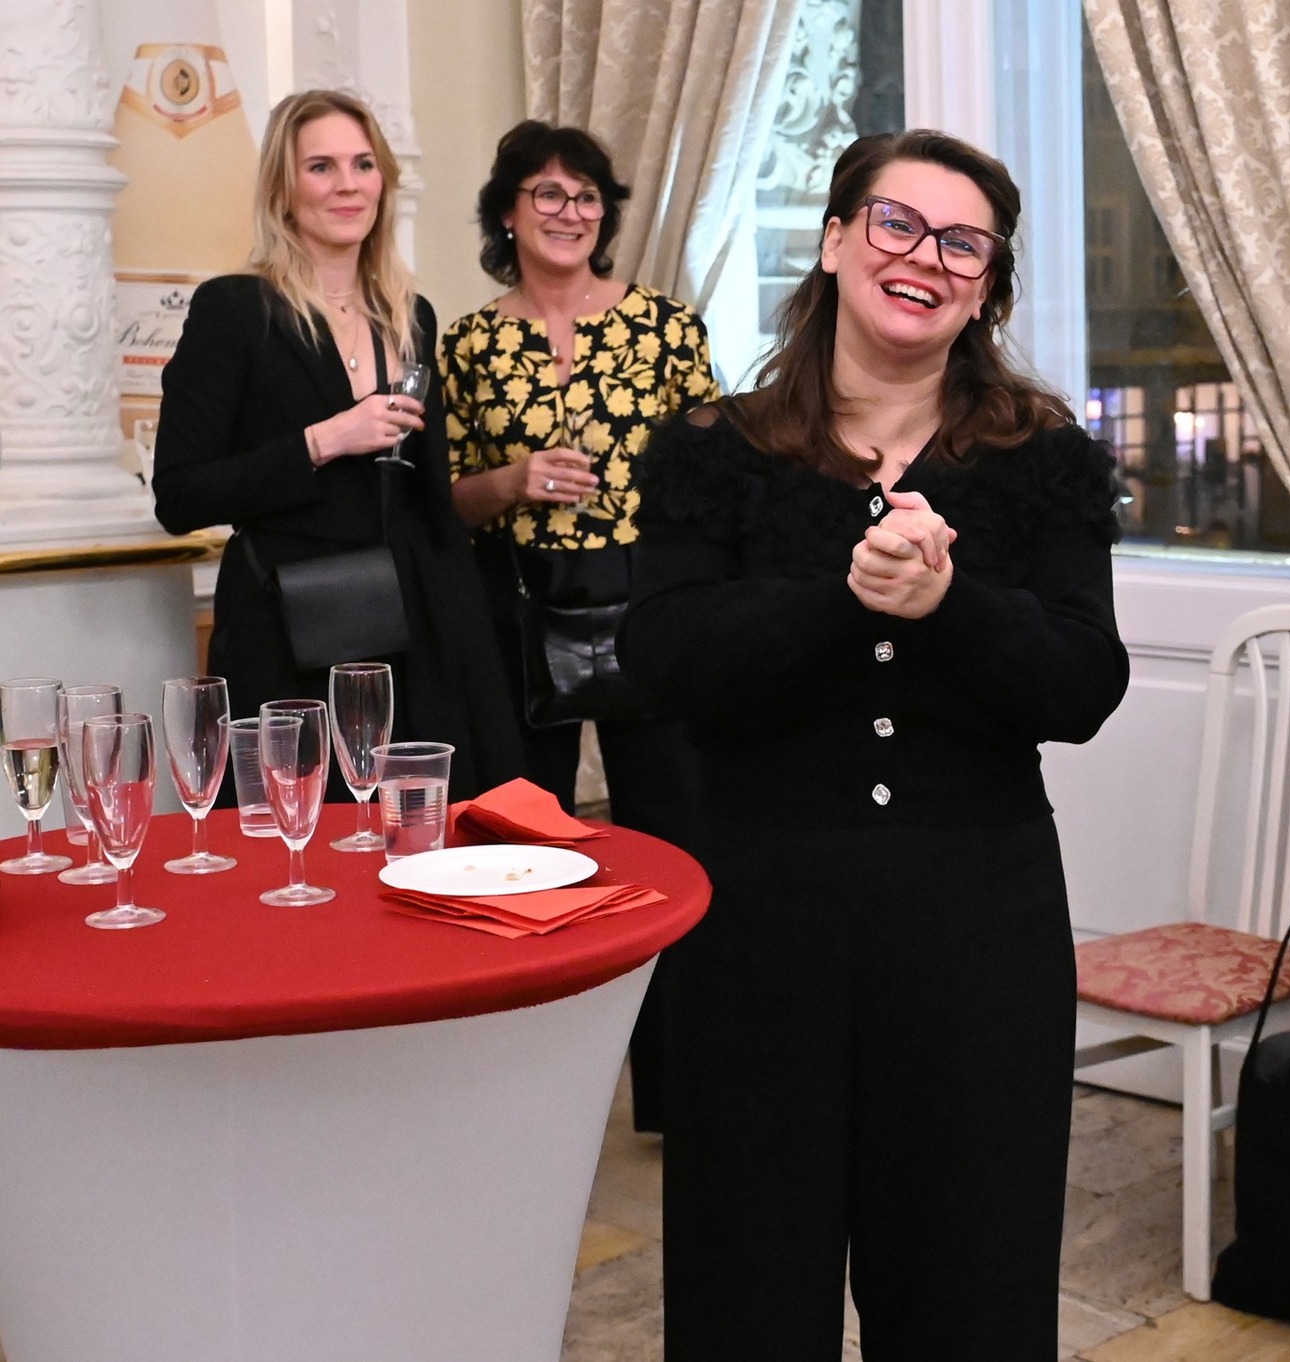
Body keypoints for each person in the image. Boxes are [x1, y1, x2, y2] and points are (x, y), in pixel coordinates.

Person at [619, 129, 1129, 1361]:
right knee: (748, 1290)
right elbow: (665, 660)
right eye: (897, 224)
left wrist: (949, 606)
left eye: (964, 244)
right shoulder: (712, 449)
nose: (924, 258)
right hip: (759, 927)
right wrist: (842, 598)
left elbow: (1081, 685)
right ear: (836, 240)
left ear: (988, 288)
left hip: (976, 930)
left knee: (971, 1288)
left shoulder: (1045, 461)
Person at [441, 121, 718, 1133]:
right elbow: (443, 505)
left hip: (651, 613)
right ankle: (533, 1098)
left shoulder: (666, 327)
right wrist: (512, 481)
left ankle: (686, 1095)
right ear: (507, 214)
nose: (570, 212)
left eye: (587, 195)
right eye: (548, 194)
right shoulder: (468, 344)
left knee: (672, 847)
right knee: (526, 855)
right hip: (518, 615)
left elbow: (717, 474)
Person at [154, 89, 520, 799]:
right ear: (283, 189)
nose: (348, 185)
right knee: (297, 840)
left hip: (413, 633)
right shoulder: (235, 309)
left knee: (424, 835)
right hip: (285, 635)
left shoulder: (411, 316)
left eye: (363, 164)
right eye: (321, 167)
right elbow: (181, 496)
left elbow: (430, 501)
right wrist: (322, 441)